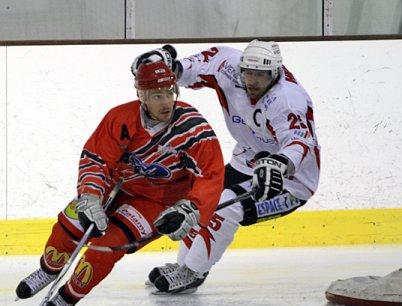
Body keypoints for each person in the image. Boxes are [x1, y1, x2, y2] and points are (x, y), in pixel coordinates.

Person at [15, 61, 225, 306]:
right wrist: (91, 196)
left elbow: (211, 175)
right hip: (117, 185)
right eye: (157, 95)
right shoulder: (121, 117)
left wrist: (190, 208)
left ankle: (69, 295)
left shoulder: (193, 128)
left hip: (157, 199)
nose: (166, 102)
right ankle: (49, 269)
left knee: (107, 246)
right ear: (142, 96)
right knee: (70, 224)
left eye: (170, 93)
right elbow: (96, 158)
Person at [131, 40, 321, 293]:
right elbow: (181, 71)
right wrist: (160, 65)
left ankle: (193, 272)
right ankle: (183, 266)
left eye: (261, 75)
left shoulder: (288, 99)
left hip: (291, 181)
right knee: (200, 197)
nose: (252, 81)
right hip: (246, 160)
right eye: (248, 72)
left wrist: (279, 164)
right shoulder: (227, 63)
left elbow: (299, 141)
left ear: (276, 73)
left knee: (227, 206)